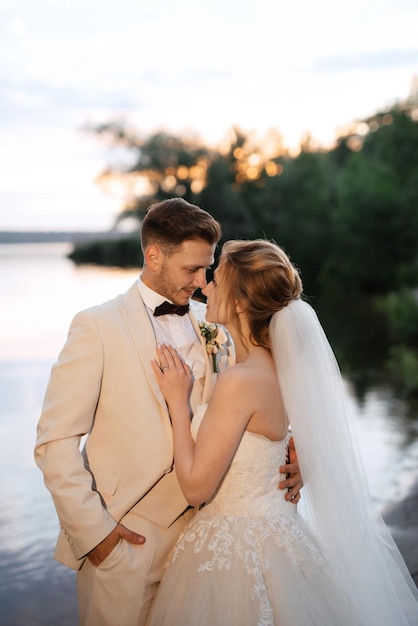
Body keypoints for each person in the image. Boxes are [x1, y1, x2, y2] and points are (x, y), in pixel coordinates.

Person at [34, 199, 302, 626]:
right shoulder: (97, 327)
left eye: (207, 269)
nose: (201, 283)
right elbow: (55, 442)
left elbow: (256, 409)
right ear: (154, 256)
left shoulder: (219, 327)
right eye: (191, 269)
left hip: (207, 548)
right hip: (125, 546)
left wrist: (289, 451)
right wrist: (95, 535)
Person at [147, 239, 418, 626]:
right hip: (284, 537)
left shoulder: (240, 380)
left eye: (218, 280)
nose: (206, 286)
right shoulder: (285, 370)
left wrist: (177, 401)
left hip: (235, 550)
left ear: (240, 303)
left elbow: (194, 489)